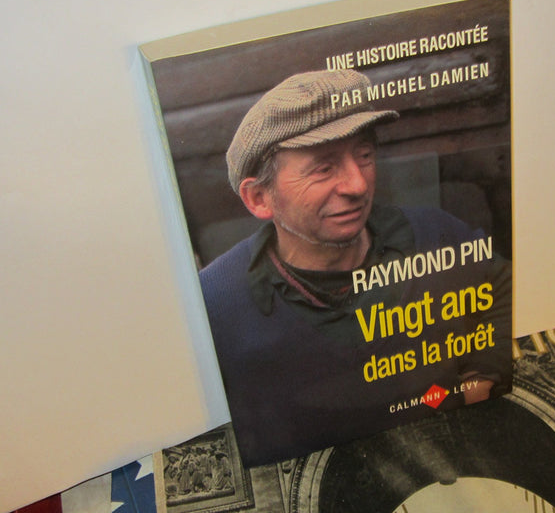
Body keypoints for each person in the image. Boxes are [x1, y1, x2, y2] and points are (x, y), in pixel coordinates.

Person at [198, 69, 512, 466]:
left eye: (364, 155)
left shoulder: (434, 233)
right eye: (323, 168)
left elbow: (502, 285)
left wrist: (481, 374)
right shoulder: (214, 304)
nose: (358, 185)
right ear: (260, 197)